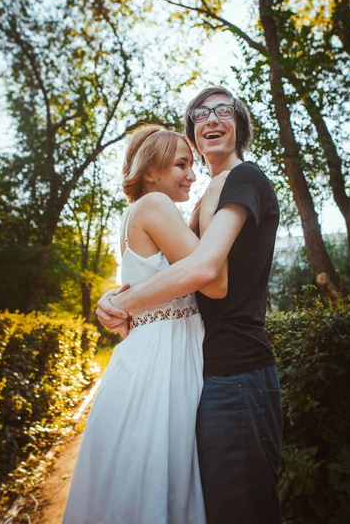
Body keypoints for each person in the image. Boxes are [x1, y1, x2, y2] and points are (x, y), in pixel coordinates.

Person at [98, 86, 282, 524]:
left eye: (223, 111)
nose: (211, 120)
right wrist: (118, 295)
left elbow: (205, 272)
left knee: (240, 508)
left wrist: (124, 304)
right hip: (206, 372)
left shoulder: (244, 179)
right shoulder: (206, 198)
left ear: (240, 125)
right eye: (200, 115)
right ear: (193, 134)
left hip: (237, 371)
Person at [63, 125, 229, 524]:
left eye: (192, 164)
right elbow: (212, 277)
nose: (192, 174)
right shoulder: (155, 205)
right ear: (150, 171)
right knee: (159, 471)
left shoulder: (140, 213)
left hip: (156, 348)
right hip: (161, 358)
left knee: (146, 475)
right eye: (181, 165)